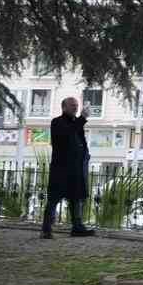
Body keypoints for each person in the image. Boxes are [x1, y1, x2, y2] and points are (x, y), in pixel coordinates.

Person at [41, 96, 96, 239]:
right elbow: (68, 134)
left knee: (76, 198)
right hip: (61, 169)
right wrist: (82, 119)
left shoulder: (76, 123)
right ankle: (46, 229)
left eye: (76, 105)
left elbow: (80, 140)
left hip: (76, 168)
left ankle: (77, 227)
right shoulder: (57, 122)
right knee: (54, 199)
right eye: (72, 105)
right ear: (64, 107)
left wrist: (86, 155)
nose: (75, 108)